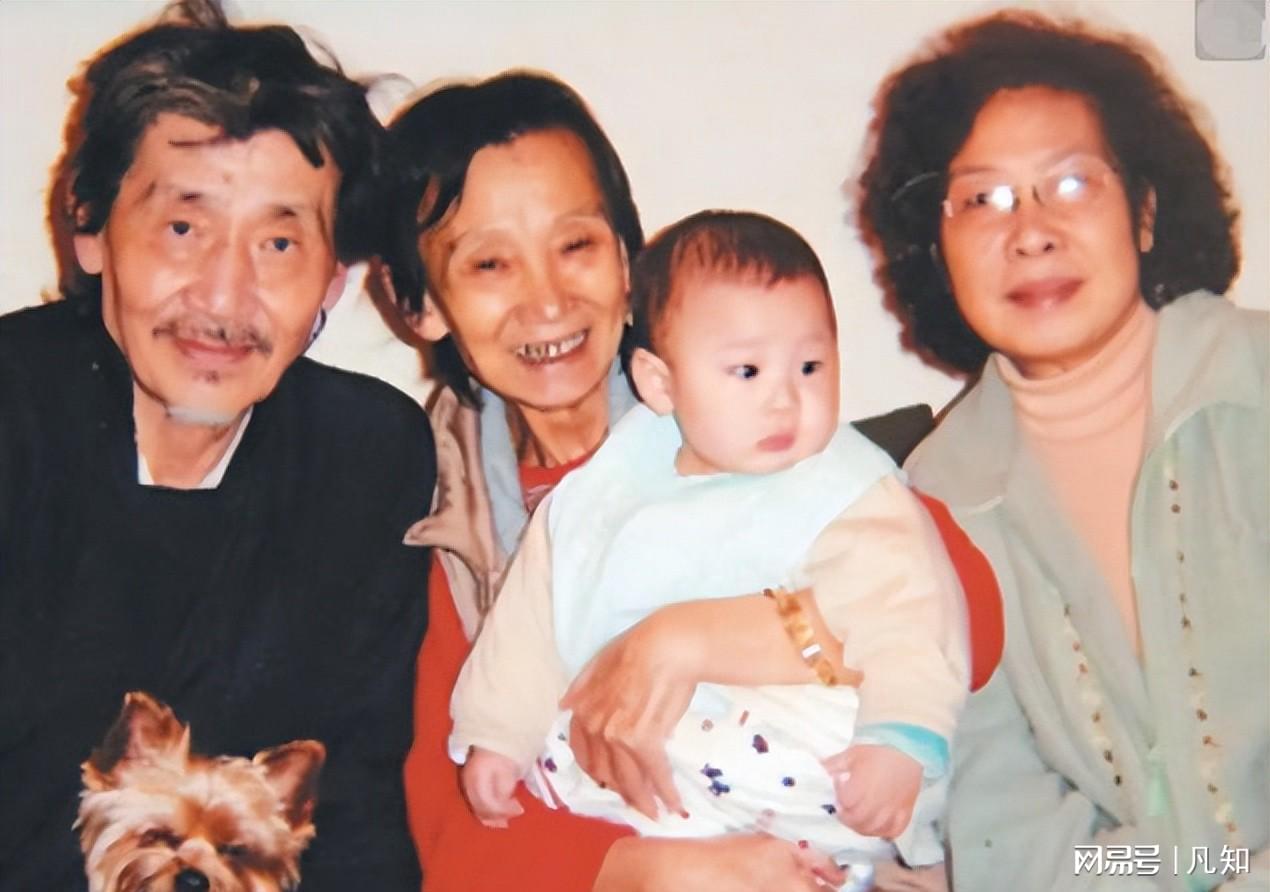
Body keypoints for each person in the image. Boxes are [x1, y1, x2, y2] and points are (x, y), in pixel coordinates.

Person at [388, 71, 1002, 892]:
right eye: (491, 263)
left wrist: (689, 638)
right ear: (421, 305)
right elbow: (454, 837)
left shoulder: (760, 421)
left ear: (625, 261)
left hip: (826, 825)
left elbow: (972, 615)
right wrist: (663, 871)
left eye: (576, 246)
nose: (547, 300)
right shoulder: (446, 531)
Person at [0, 3, 434, 889]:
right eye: (183, 228)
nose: (226, 297)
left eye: (279, 242)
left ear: (333, 278)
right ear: (91, 226)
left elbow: (356, 816)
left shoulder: (367, 457)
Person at [856, 10, 1267, 891]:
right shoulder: (931, 502)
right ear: (937, 248)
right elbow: (1013, 836)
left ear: (1145, 213)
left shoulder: (1258, 383)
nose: (1031, 231)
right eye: (984, 199)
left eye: (1071, 183)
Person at [451, 210, 970, 871]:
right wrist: (497, 736)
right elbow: (530, 626)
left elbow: (911, 617)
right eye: (747, 371)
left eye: (810, 366)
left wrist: (899, 738)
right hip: (662, 783)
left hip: (818, 759)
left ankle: (803, 855)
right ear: (660, 383)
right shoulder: (605, 494)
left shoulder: (846, 489)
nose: (785, 399)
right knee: (558, 742)